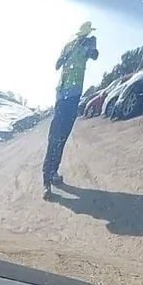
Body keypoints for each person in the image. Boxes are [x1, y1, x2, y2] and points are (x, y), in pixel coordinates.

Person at [44, 22, 98, 197]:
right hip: (65, 95)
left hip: (69, 95)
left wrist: (90, 46)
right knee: (56, 136)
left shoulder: (87, 42)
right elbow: (57, 64)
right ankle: (47, 179)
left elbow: (94, 55)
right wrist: (66, 54)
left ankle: (52, 173)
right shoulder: (69, 46)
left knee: (61, 137)